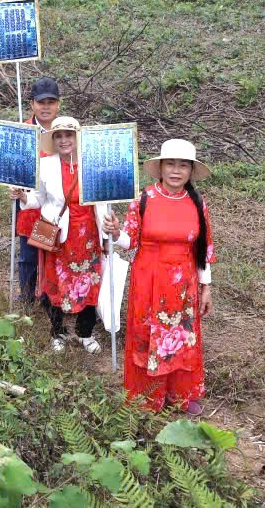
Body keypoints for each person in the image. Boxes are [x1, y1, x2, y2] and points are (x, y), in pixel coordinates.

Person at [101, 139, 214, 414]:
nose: (176, 171)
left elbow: (203, 248)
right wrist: (116, 233)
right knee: (147, 336)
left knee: (180, 336)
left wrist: (206, 285)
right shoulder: (144, 200)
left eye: (183, 166)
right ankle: (148, 398)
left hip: (183, 285)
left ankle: (180, 395)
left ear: (190, 171)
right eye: (171, 164)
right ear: (161, 168)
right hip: (148, 281)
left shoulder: (197, 204)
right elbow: (129, 242)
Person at [11, 116, 107, 353]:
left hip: (88, 235)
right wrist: (23, 197)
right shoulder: (46, 165)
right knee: (55, 283)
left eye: (69, 135)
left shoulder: (93, 163)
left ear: (77, 138)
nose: (64, 140)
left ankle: (85, 332)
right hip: (58, 233)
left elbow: (105, 201)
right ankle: (57, 332)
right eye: (59, 136)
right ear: (53, 140)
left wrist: (107, 233)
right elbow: (38, 198)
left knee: (89, 282)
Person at [16, 78, 62, 305]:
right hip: (30, 199)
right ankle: (26, 298)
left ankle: (52, 298)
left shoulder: (65, 131)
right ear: (32, 104)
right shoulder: (23, 132)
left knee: (56, 251)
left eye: (51, 102)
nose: (46, 107)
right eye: (41, 102)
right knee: (29, 254)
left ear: (58, 105)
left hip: (57, 205)